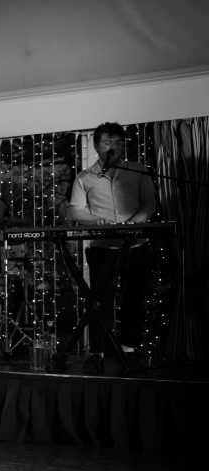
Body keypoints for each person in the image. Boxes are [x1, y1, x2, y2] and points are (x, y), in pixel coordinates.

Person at [67, 122, 157, 367]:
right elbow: (76, 211)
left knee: (134, 297)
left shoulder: (138, 170)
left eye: (118, 143)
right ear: (97, 146)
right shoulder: (84, 177)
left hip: (136, 243)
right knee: (100, 300)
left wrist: (135, 223)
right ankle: (99, 351)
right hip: (103, 245)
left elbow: (150, 202)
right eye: (108, 142)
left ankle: (129, 349)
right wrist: (98, 220)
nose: (114, 147)